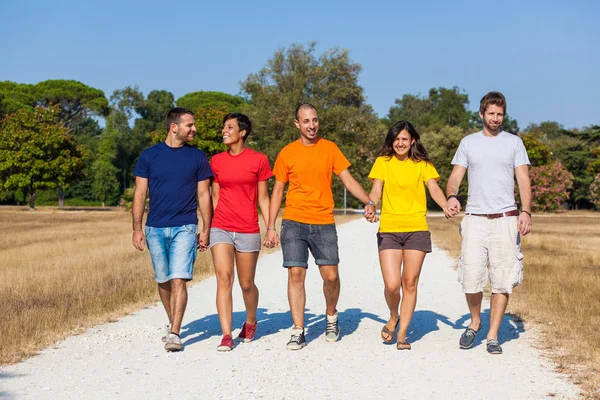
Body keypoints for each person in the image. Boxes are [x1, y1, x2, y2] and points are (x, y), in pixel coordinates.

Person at [264, 103, 377, 350]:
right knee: (296, 273)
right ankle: (298, 330)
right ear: (297, 124)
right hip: (294, 221)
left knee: (331, 276)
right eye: (306, 121)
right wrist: (271, 225)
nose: (311, 125)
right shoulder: (287, 153)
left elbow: (347, 179)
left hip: (324, 221)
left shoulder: (330, 149)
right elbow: (278, 191)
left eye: (314, 120)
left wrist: (368, 201)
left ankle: (331, 316)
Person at [445, 91, 532, 355]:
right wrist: (451, 196)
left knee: (502, 279)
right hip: (475, 218)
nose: (495, 119)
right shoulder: (468, 143)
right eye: (491, 113)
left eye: (500, 114)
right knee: (471, 277)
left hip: (506, 219)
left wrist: (525, 211)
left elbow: (523, 179)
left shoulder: (514, 143)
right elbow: (455, 177)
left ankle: (492, 335)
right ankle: (475, 321)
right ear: (481, 114)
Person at [132, 107, 213, 352]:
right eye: (190, 125)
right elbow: (140, 193)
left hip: (185, 226)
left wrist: (206, 227)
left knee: (179, 278)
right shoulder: (149, 156)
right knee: (163, 280)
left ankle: (175, 332)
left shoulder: (197, 157)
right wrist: (137, 228)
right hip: (155, 227)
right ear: (174, 127)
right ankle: (172, 323)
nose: (194, 129)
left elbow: (204, 194)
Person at [366, 120, 450, 350]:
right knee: (392, 285)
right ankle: (394, 316)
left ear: (412, 140)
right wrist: (371, 204)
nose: (400, 143)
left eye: (404, 138)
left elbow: (433, 188)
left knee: (409, 283)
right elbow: (376, 189)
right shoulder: (383, 162)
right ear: (391, 141)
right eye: (396, 139)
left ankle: (402, 333)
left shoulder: (423, 164)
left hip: (416, 228)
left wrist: (444, 205)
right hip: (390, 229)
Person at [209, 112, 272, 352]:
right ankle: (226, 334)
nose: (224, 131)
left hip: (248, 228)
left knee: (247, 284)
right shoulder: (216, 161)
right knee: (224, 278)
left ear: (242, 132)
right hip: (221, 227)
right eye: (224, 127)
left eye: (230, 127)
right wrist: (210, 227)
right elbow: (214, 196)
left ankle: (251, 320)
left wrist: (271, 227)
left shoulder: (259, 160)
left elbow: (264, 198)